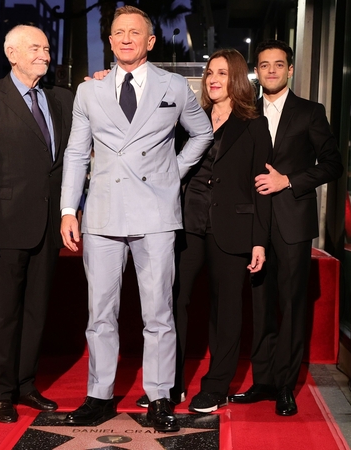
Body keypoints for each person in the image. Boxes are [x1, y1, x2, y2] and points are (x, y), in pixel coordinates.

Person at [59, 5, 213, 433]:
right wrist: (69, 209)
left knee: (158, 313)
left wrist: (173, 172)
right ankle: (99, 396)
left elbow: (202, 133)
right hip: (103, 213)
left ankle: (160, 397)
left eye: (135, 33)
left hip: (157, 214)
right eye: (118, 32)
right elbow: (75, 152)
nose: (126, 38)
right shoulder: (89, 91)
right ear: (110, 42)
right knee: (100, 313)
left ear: (150, 42)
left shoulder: (175, 86)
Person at [0, 24, 73, 424]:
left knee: (35, 312)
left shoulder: (61, 99)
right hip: (1, 228)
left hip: (47, 227)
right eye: (36, 48)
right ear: (11, 53)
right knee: (0, 313)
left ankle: (25, 385)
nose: (45, 54)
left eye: (46, 47)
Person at [230, 40, 343, 416]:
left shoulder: (311, 112)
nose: (272, 71)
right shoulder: (245, 113)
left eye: (279, 65)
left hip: (293, 222)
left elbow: (332, 164)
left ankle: (284, 386)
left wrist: (289, 181)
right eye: (264, 65)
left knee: (291, 305)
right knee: (260, 304)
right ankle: (262, 381)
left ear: (290, 69)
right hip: (254, 224)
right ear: (257, 72)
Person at [170, 48, 271, 414]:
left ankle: (215, 386)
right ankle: (171, 383)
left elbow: (262, 184)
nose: (213, 79)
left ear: (238, 79)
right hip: (187, 220)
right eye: (210, 72)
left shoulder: (254, 123)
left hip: (234, 225)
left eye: (223, 73)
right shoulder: (189, 118)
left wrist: (260, 239)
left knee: (225, 309)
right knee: (174, 300)